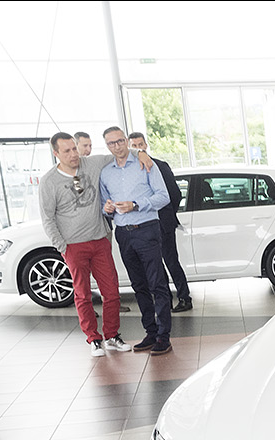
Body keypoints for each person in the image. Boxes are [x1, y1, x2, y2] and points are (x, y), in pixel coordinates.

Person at [40, 131, 153, 357]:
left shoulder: (92, 164)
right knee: (82, 295)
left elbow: (120, 152)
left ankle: (111, 336)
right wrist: (63, 248)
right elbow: (47, 219)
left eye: (74, 148)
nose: (74, 154)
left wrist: (141, 153)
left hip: (100, 240)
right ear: (56, 153)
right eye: (67, 151)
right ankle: (93, 339)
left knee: (111, 292)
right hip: (73, 246)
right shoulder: (48, 181)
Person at [98, 126, 172, 355]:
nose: (117, 146)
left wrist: (136, 205)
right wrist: (107, 208)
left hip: (146, 229)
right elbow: (104, 205)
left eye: (120, 141)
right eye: (112, 143)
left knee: (157, 284)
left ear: (126, 141)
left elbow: (164, 196)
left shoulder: (145, 164)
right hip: (123, 233)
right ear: (107, 146)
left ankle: (164, 336)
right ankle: (150, 332)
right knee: (138, 285)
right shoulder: (105, 173)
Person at [127, 132, 191, 312]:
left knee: (171, 261)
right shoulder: (129, 171)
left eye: (140, 144)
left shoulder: (160, 166)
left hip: (163, 223)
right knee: (154, 265)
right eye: (134, 145)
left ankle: (185, 297)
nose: (138, 148)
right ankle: (164, 300)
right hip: (144, 224)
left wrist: (166, 214)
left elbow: (175, 194)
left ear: (146, 145)